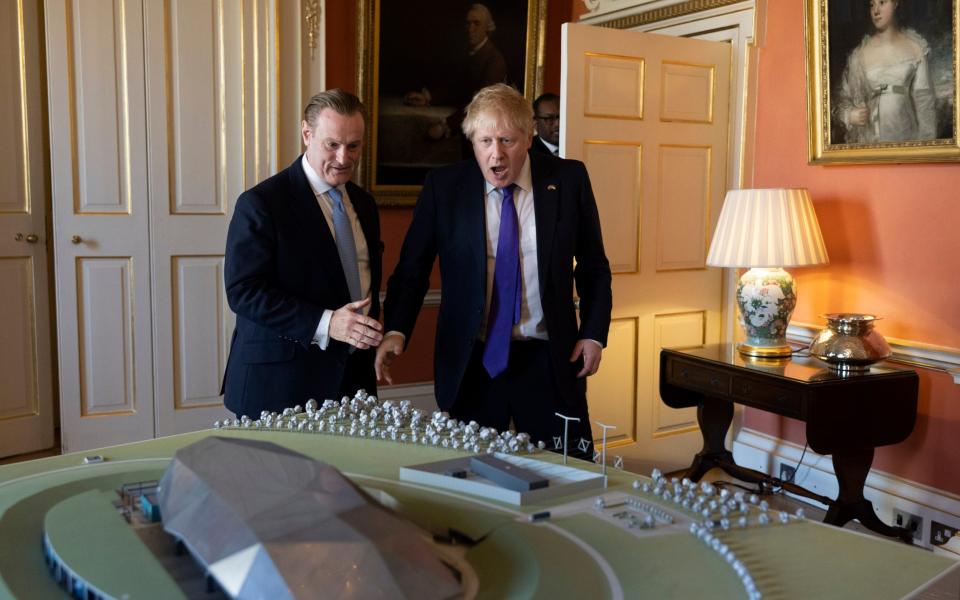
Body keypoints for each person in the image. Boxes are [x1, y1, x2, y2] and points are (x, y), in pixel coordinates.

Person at [376, 84, 612, 456]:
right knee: (473, 477)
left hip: (549, 359)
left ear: (529, 135)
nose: (495, 154)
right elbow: (412, 268)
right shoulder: (445, 188)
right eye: (484, 141)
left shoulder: (568, 180)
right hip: (475, 362)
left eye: (507, 140)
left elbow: (594, 266)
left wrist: (594, 333)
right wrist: (396, 329)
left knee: (567, 471)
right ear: (471, 141)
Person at [222, 89, 384, 418]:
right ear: (307, 134)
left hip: (353, 380)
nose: (344, 158)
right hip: (279, 383)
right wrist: (326, 323)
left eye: (354, 146)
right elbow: (244, 292)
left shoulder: (364, 204)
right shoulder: (262, 203)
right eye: (332, 145)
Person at [833, 0, 936, 143]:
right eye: (872, 5)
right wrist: (850, 115)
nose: (876, 11)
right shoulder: (859, 55)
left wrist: (927, 146)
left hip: (906, 135)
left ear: (895, 3)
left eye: (882, 2)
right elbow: (842, 100)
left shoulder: (915, 48)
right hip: (872, 138)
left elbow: (925, 103)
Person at [405, 4, 508, 142]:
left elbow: (482, 104)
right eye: (468, 23)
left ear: (487, 28)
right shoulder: (470, 53)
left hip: (485, 131)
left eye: (476, 24)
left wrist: (446, 125)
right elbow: (457, 88)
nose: (470, 29)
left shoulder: (495, 60)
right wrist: (428, 98)